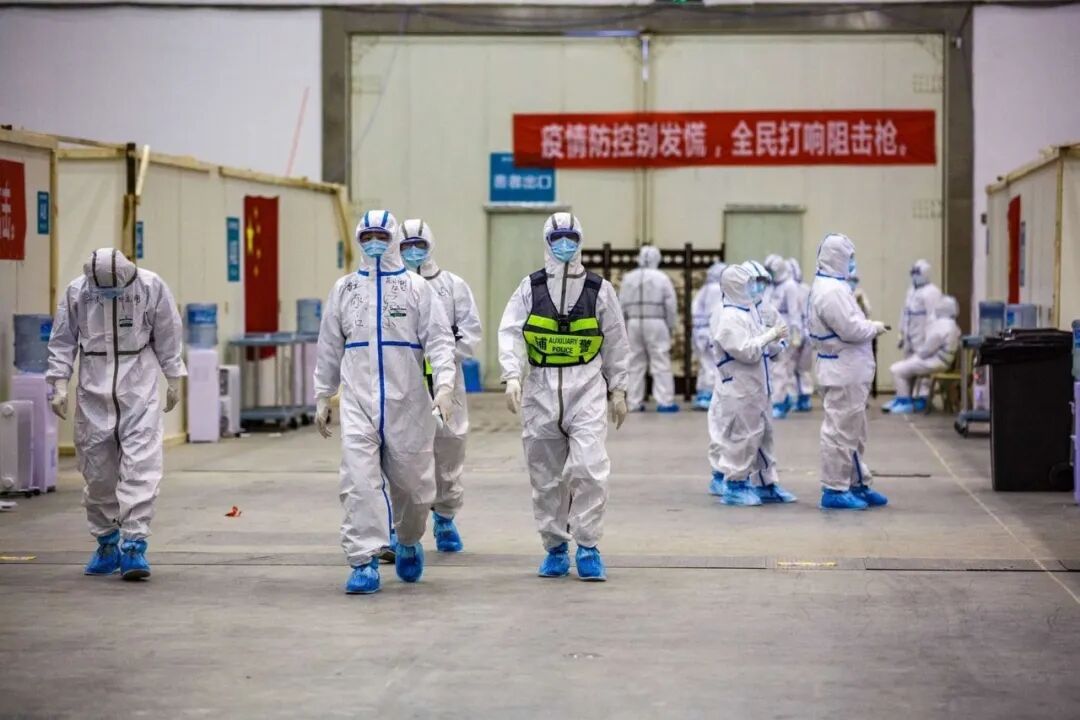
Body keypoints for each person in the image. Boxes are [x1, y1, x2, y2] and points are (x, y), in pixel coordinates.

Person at [314, 209, 457, 595]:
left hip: (407, 402)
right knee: (359, 481)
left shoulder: (416, 288)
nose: (374, 243)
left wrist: (445, 387)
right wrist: (323, 394)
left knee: (412, 486)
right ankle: (363, 560)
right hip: (358, 401)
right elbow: (329, 344)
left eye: (381, 236)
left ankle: (408, 539)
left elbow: (440, 340)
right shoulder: (345, 289)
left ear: (392, 240)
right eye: (367, 237)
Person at [498, 212, 630, 581]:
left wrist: (618, 387)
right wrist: (512, 375)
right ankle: (555, 546)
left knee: (589, 468)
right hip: (540, 389)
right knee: (546, 477)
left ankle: (587, 545)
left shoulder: (598, 289)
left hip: (585, 387)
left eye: (571, 237)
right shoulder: (531, 287)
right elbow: (510, 331)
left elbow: (616, 339)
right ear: (547, 241)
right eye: (557, 238)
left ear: (581, 240)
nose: (564, 244)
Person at [46, 248, 185, 581]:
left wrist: (174, 378)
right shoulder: (78, 291)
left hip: (138, 388)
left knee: (141, 466)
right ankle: (107, 543)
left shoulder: (150, 286)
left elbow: (168, 333)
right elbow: (63, 340)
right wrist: (59, 384)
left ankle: (134, 545)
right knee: (97, 471)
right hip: (93, 388)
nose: (108, 294)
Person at [399, 218, 482, 551]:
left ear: (430, 245)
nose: (413, 251)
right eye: (406, 246)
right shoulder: (391, 287)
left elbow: (470, 332)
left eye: (419, 245)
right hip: (404, 382)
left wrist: (442, 360)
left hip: (446, 382)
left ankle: (445, 517)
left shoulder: (452, 286)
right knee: (401, 454)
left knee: (448, 449)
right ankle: (400, 526)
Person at [808, 233, 890, 510]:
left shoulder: (834, 286)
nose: (852, 263)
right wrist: (873, 327)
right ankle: (834, 488)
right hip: (842, 371)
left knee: (854, 431)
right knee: (840, 432)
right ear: (837, 258)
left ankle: (856, 483)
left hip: (847, 370)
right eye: (849, 257)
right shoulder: (831, 291)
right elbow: (851, 329)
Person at [707, 262, 796, 505]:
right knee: (743, 438)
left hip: (758, 386)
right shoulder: (728, 316)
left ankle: (766, 483)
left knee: (763, 436)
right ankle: (735, 485)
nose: (755, 288)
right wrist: (771, 335)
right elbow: (747, 351)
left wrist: (774, 342)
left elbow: (765, 348)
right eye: (749, 283)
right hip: (740, 387)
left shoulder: (749, 312)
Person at [619, 245, 678, 412]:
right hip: (656, 322)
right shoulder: (662, 278)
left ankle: (633, 402)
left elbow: (620, 303)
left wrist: (623, 325)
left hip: (633, 322)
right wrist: (670, 325)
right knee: (660, 361)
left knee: (634, 362)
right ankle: (665, 401)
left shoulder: (628, 278)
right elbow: (670, 305)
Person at [884, 259, 942, 413]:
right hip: (910, 338)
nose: (915, 276)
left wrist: (931, 340)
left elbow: (933, 318)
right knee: (906, 369)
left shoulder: (932, 292)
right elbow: (904, 314)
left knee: (923, 372)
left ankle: (922, 398)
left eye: (918, 273)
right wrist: (901, 333)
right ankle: (905, 398)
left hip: (923, 339)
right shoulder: (911, 291)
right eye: (913, 273)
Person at [887, 295, 961, 414]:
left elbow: (927, 350)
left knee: (896, 370)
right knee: (907, 368)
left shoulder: (942, 326)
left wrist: (916, 355)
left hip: (936, 361)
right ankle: (907, 399)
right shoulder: (953, 325)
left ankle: (904, 402)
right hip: (942, 361)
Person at [764, 254, 802, 419]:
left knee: (780, 368)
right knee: (774, 369)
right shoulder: (771, 286)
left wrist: (796, 334)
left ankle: (779, 402)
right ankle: (780, 399)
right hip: (771, 331)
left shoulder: (790, 286)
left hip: (784, 332)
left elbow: (794, 312)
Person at [690, 262, 726, 410]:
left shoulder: (703, 290)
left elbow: (695, 311)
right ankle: (711, 394)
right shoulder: (719, 290)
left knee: (704, 365)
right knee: (714, 364)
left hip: (700, 332)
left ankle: (703, 394)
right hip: (713, 332)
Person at [788, 257, 814, 412]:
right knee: (797, 368)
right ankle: (800, 397)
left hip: (800, 331)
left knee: (797, 367)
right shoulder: (804, 289)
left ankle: (800, 397)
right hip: (802, 331)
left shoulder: (796, 289)